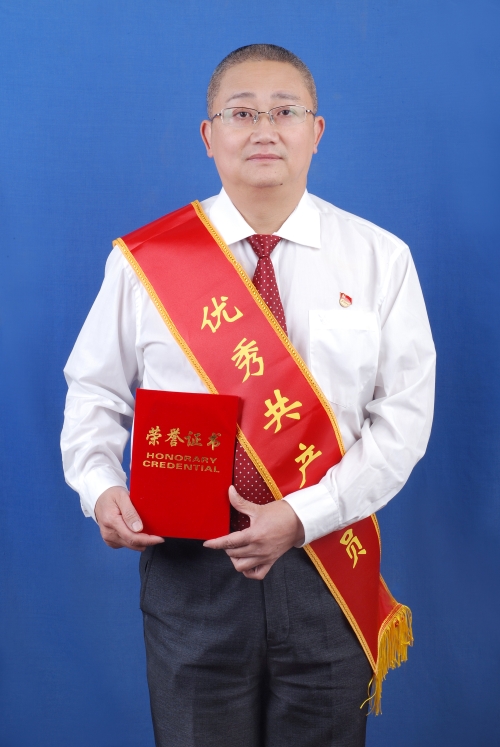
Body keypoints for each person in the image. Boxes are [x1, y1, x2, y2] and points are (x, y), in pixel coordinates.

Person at [61, 44, 436, 747]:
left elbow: (404, 420)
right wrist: (98, 485)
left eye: (284, 111)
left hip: (326, 559)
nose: (264, 129)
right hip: (190, 570)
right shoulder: (148, 260)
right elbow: (94, 390)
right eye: (242, 113)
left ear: (316, 132)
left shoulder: (379, 258)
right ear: (209, 136)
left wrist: (302, 515)